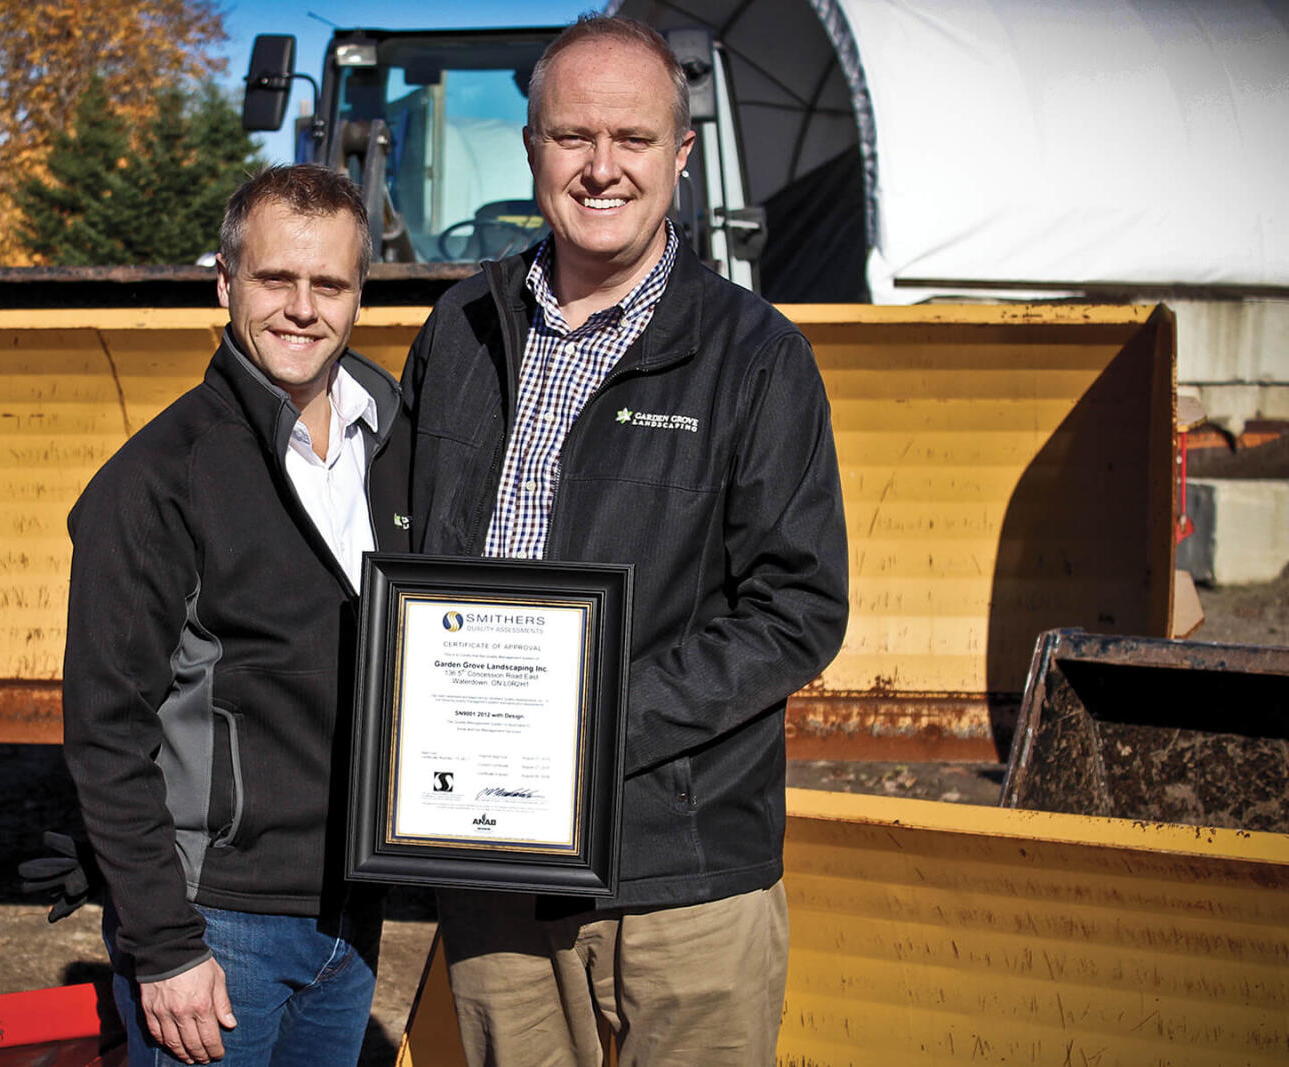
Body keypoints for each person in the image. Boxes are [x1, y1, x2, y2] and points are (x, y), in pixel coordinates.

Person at [401, 15, 849, 1066]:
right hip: (493, 862)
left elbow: (797, 608)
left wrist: (586, 718)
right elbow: (405, 556)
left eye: (633, 140)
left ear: (680, 157)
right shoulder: (460, 331)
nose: (600, 168)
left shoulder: (756, 357)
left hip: (678, 871)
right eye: (572, 137)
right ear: (530, 148)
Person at [62, 164, 410, 1067]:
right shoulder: (156, 482)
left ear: (359, 295)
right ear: (225, 282)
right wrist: (164, 940)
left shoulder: (402, 444)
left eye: (329, 283)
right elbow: (106, 729)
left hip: (350, 914)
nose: (302, 307)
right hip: (222, 925)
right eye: (274, 279)